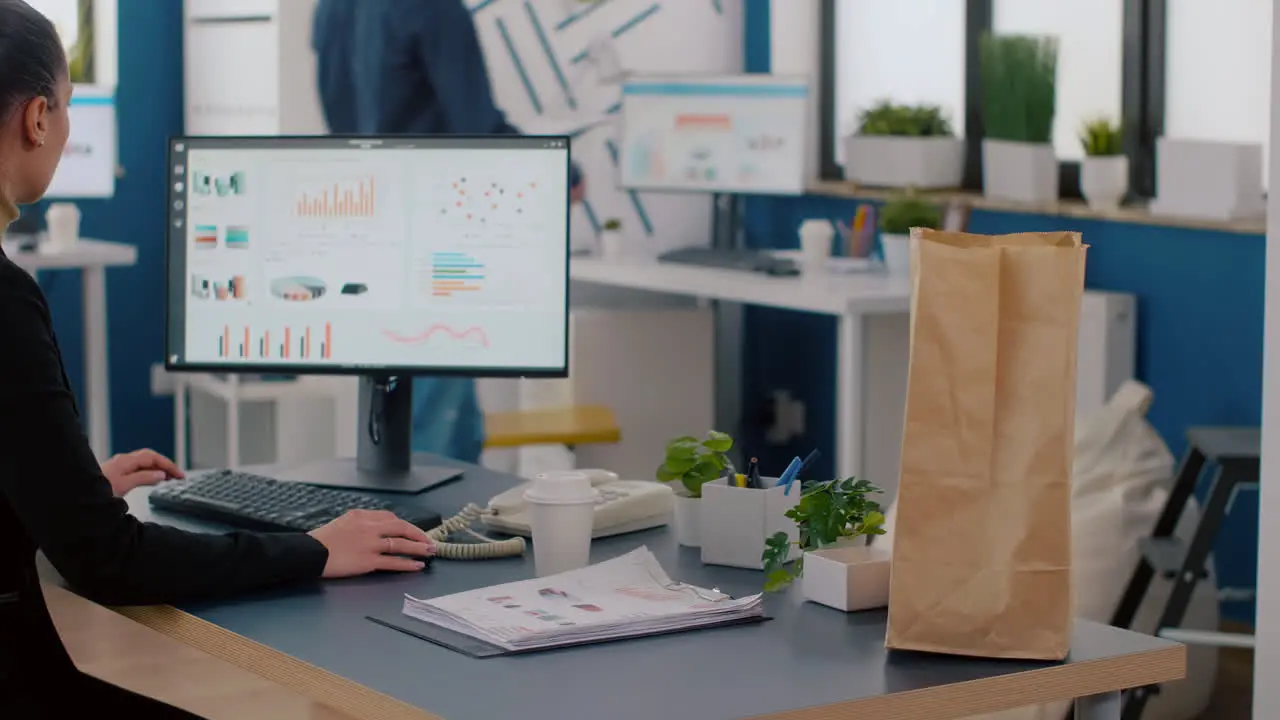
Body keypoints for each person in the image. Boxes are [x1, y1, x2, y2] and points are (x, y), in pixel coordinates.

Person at [0, 2, 435, 715]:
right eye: (69, 107)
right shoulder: (6, 303)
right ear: (39, 118)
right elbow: (110, 562)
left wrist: (65, 495)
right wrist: (316, 549)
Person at [312, 0, 585, 464]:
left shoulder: (331, 8)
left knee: (415, 416)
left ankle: (441, 529)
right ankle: (423, 535)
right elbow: (477, 128)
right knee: (432, 434)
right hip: (432, 233)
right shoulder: (433, 8)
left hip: (371, 231)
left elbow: (340, 116)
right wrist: (565, 172)